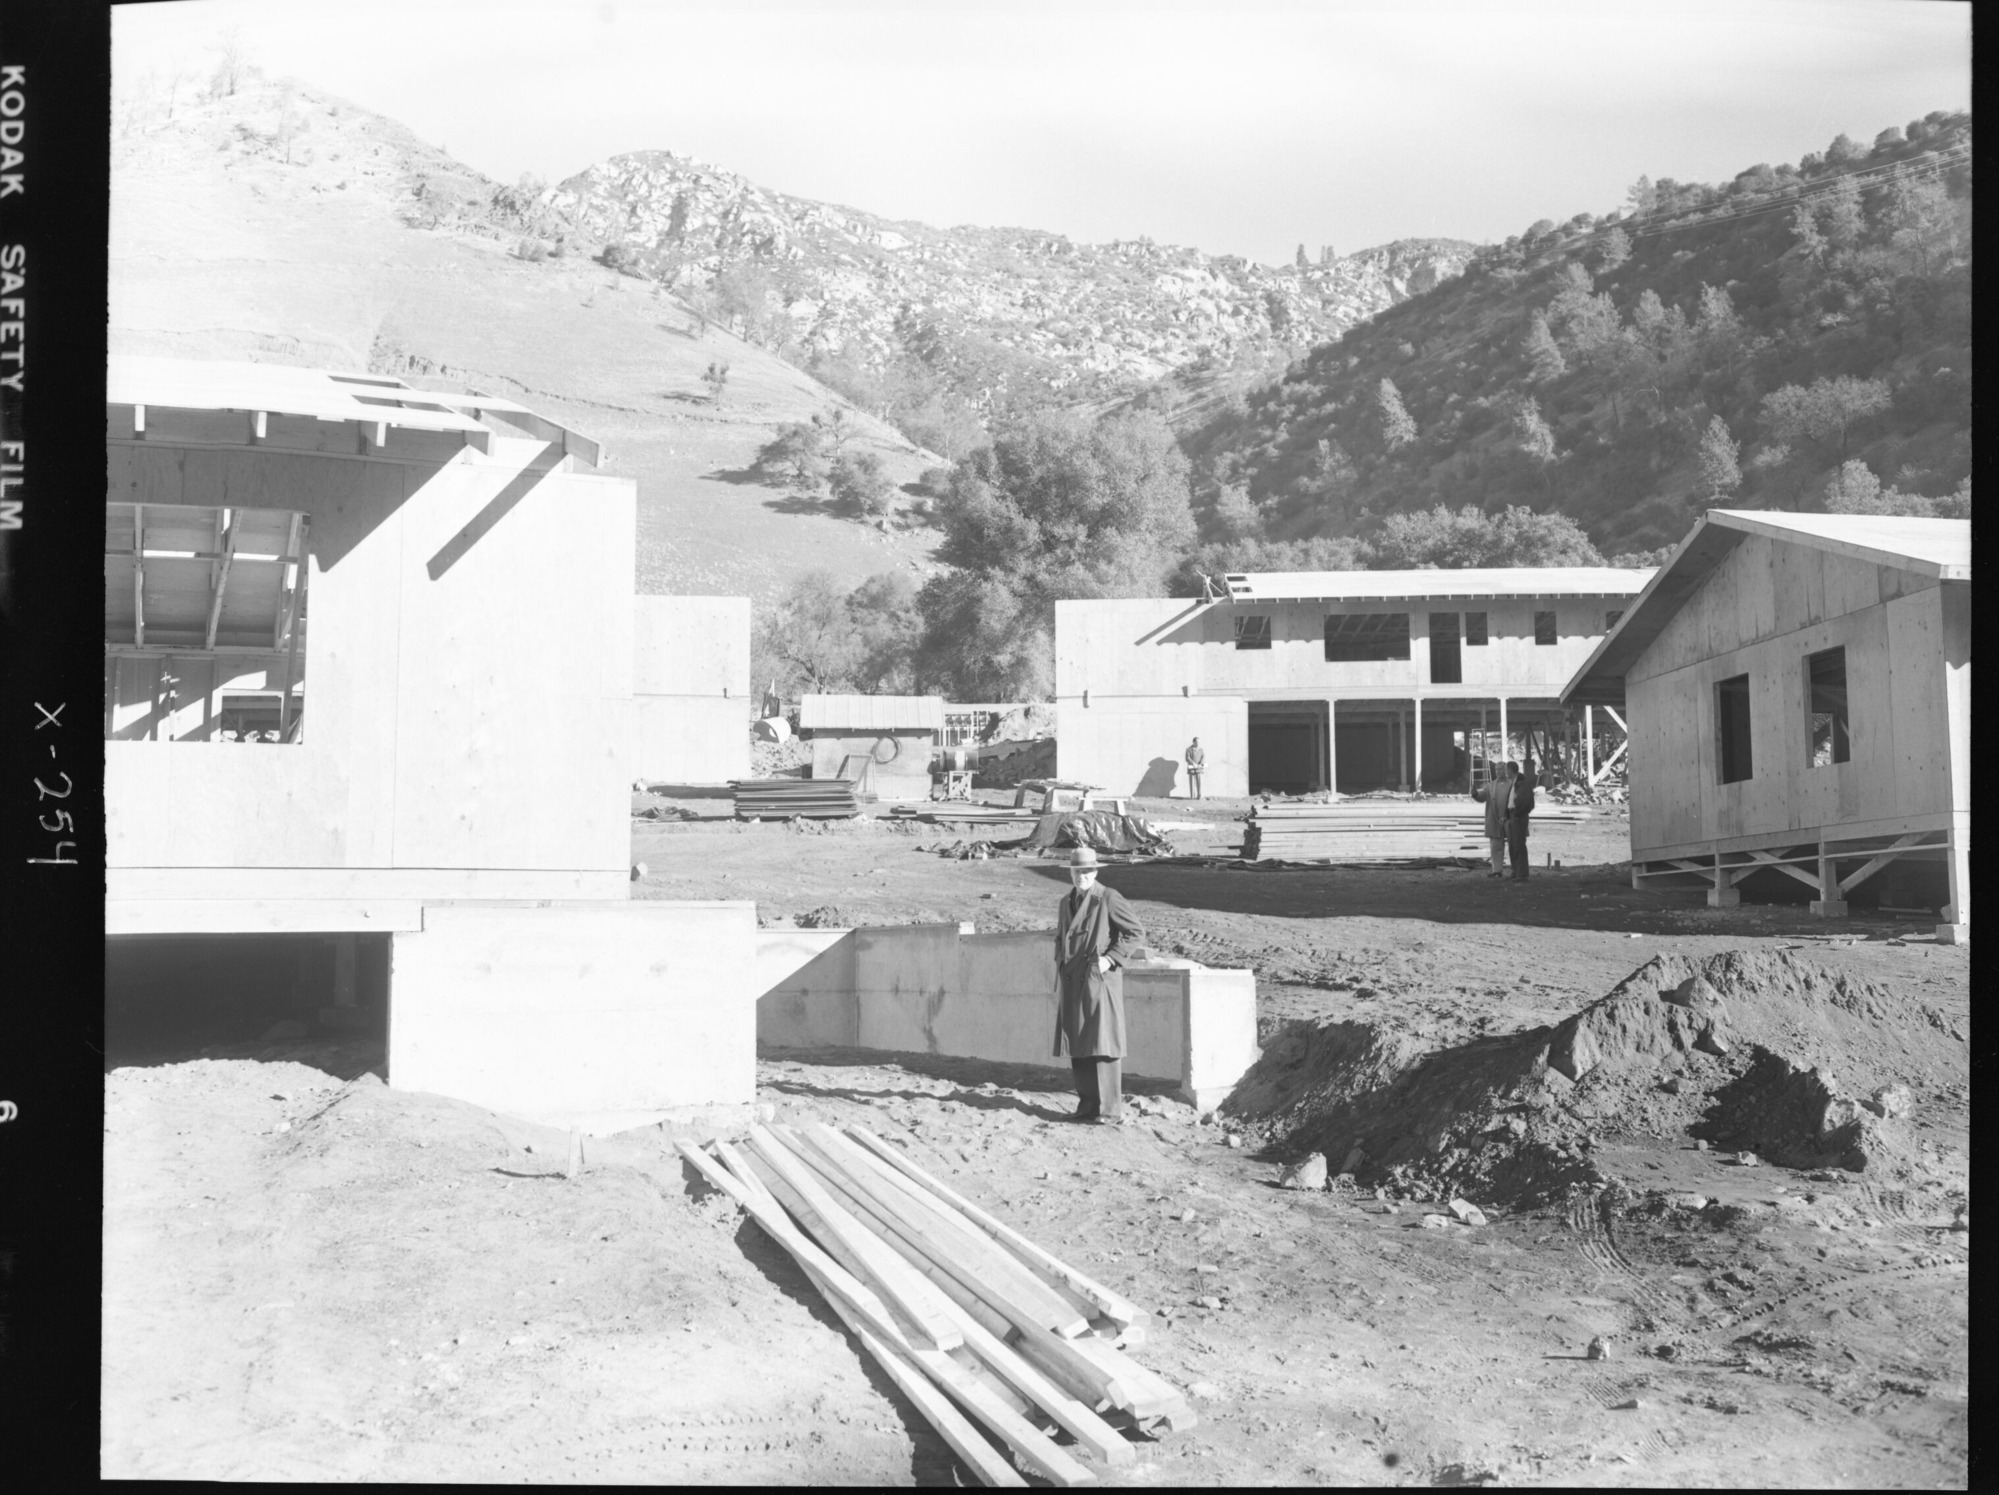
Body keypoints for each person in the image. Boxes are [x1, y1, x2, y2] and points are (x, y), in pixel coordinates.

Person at [1052, 846, 1146, 1124]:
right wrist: (1060, 958)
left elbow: (1135, 932)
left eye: (1086, 871)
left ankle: (1108, 1111)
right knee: (1079, 1043)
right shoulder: (1065, 901)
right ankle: (1087, 1107)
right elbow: (1060, 937)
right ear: (1071, 872)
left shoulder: (1108, 898)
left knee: (1103, 1044)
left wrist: (1110, 959)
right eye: (1076, 871)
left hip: (1099, 981)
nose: (1081, 876)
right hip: (1072, 980)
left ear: (1095, 872)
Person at [1472, 761, 1513, 878]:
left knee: (1513, 845)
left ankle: (1516, 869)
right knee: (1495, 846)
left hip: (1509, 819)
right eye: (1497, 769)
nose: (1499, 771)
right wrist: (1475, 794)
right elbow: (1482, 797)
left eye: (1501, 769)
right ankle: (1497, 870)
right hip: (1494, 819)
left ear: (1506, 770)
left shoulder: (1511, 784)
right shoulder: (1490, 785)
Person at [1508, 757, 1537, 881]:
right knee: (1513, 845)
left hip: (1518, 816)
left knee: (1519, 845)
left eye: (1506, 770)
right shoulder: (1515, 784)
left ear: (1510, 770)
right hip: (1513, 815)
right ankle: (1516, 871)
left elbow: (1526, 803)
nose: (1505, 773)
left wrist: (1518, 814)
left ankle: (1522, 873)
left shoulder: (1523, 785)